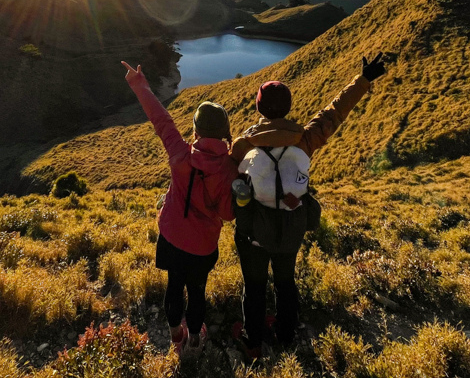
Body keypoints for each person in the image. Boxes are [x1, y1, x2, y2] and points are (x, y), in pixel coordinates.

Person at [230, 53, 387, 358]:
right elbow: (334, 112)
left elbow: (228, 171)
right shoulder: (305, 139)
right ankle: (287, 335)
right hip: (292, 225)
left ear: (259, 108)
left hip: (255, 232)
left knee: (255, 286)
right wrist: (363, 79)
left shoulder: (244, 144)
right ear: (288, 107)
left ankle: (252, 342)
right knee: (286, 282)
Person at [121, 61, 238, 354]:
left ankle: (176, 336)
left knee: (174, 286)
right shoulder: (229, 168)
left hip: (172, 239)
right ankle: (196, 340)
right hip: (203, 247)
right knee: (197, 291)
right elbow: (227, 214)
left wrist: (139, 83)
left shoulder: (180, 152)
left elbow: (161, 121)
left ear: (196, 130)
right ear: (224, 132)